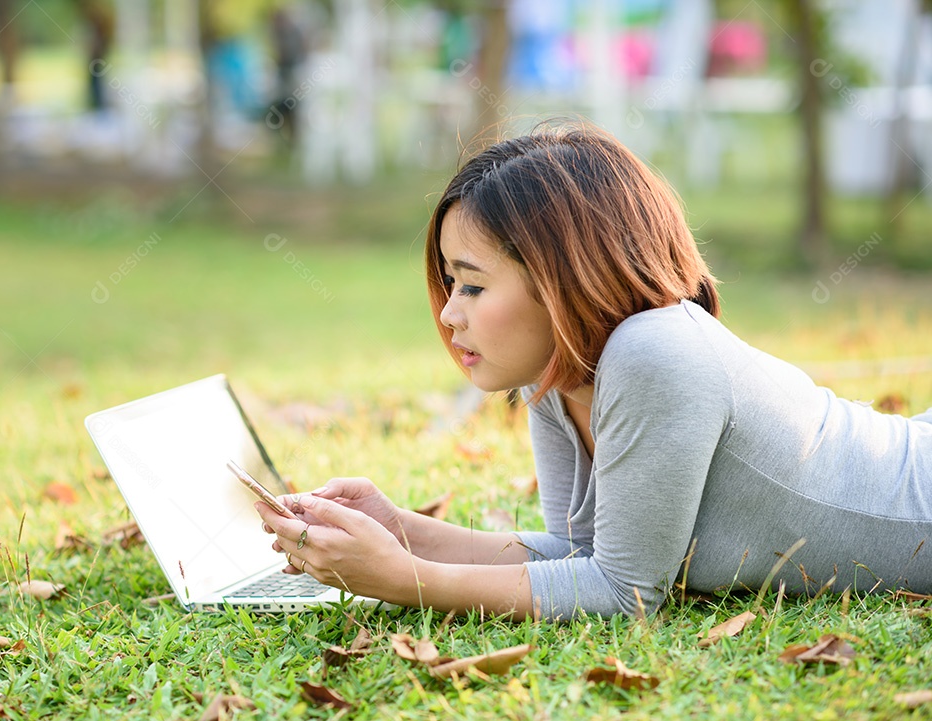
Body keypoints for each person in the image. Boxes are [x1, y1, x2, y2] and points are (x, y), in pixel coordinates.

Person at [256, 122, 932, 621]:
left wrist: (404, 577)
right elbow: (580, 557)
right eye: (448, 283)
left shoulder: (655, 352)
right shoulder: (558, 371)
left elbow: (626, 592)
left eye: (472, 286)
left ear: (560, 281)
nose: (449, 315)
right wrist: (402, 528)